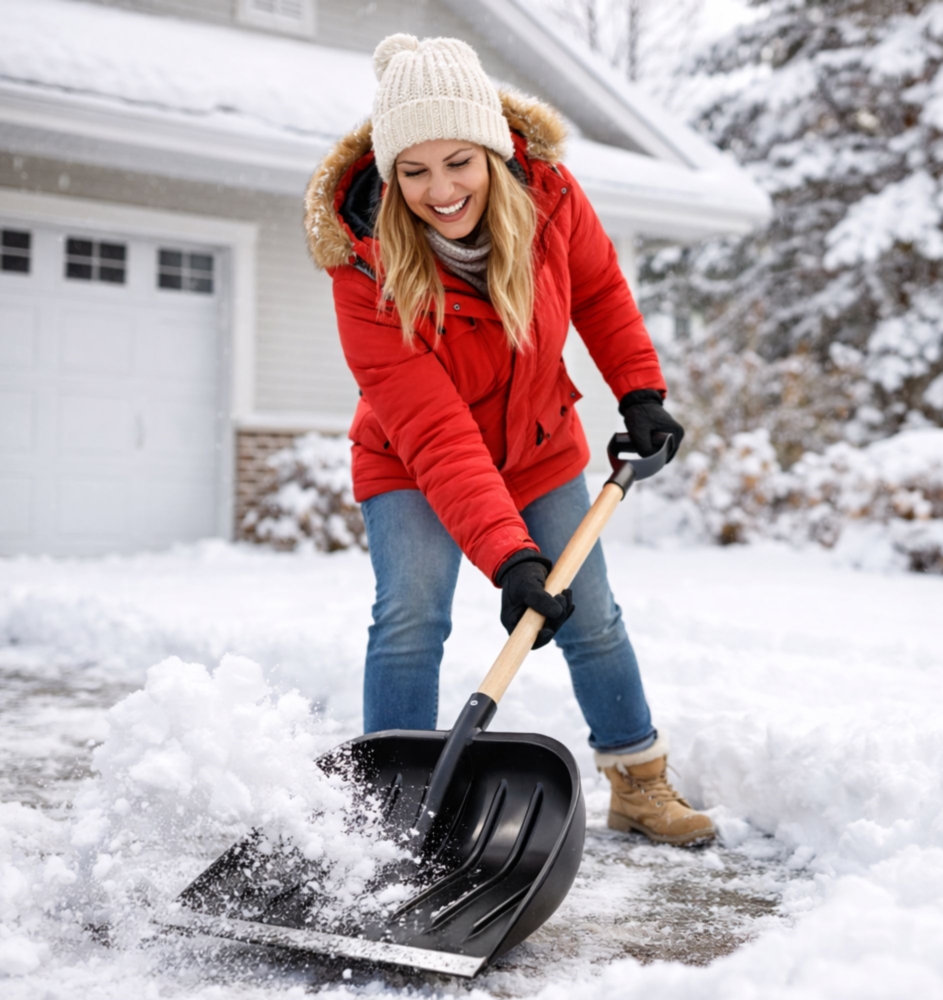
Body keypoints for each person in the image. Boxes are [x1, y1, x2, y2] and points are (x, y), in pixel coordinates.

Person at [304, 34, 715, 846]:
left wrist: (640, 389)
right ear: (389, 175)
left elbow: (599, 290)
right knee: (411, 616)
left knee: (591, 614)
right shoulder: (363, 265)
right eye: (413, 171)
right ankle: (387, 810)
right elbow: (433, 429)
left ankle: (638, 781)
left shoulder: (552, 195)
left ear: (493, 147)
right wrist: (511, 557)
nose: (440, 189)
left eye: (458, 161)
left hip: (538, 443)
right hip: (412, 463)